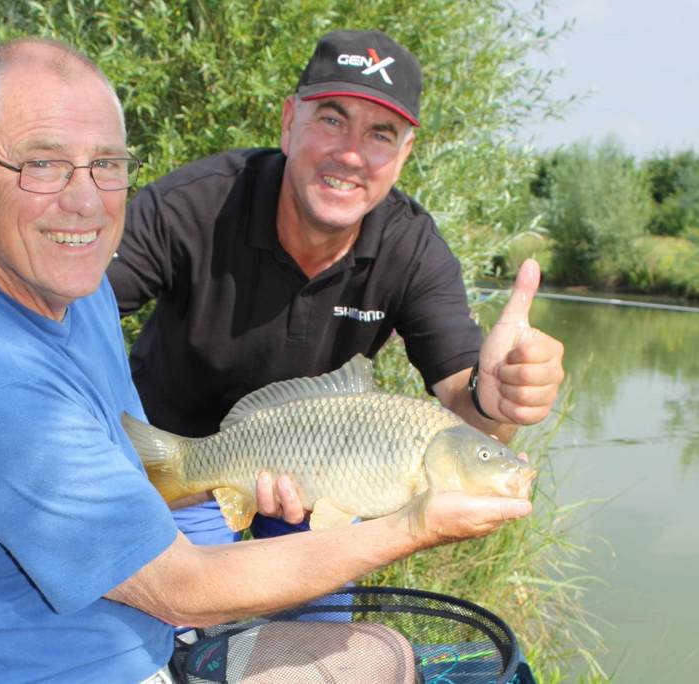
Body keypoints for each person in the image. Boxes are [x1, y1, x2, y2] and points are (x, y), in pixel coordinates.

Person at [0, 37, 533, 683]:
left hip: (141, 610)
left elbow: (463, 391)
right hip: (91, 653)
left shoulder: (69, 294)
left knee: (373, 650)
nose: (83, 203)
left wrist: (494, 395)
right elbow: (183, 587)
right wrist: (412, 523)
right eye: (40, 163)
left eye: (106, 165)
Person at [108, 29, 565, 544]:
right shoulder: (191, 207)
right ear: (288, 122)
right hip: (184, 475)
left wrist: (495, 400)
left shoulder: (411, 247)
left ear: (403, 155)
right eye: (331, 120)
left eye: (380, 134)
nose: (350, 155)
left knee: (331, 627)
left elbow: (465, 398)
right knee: (172, 612)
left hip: (322, 492)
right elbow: (66, 313)